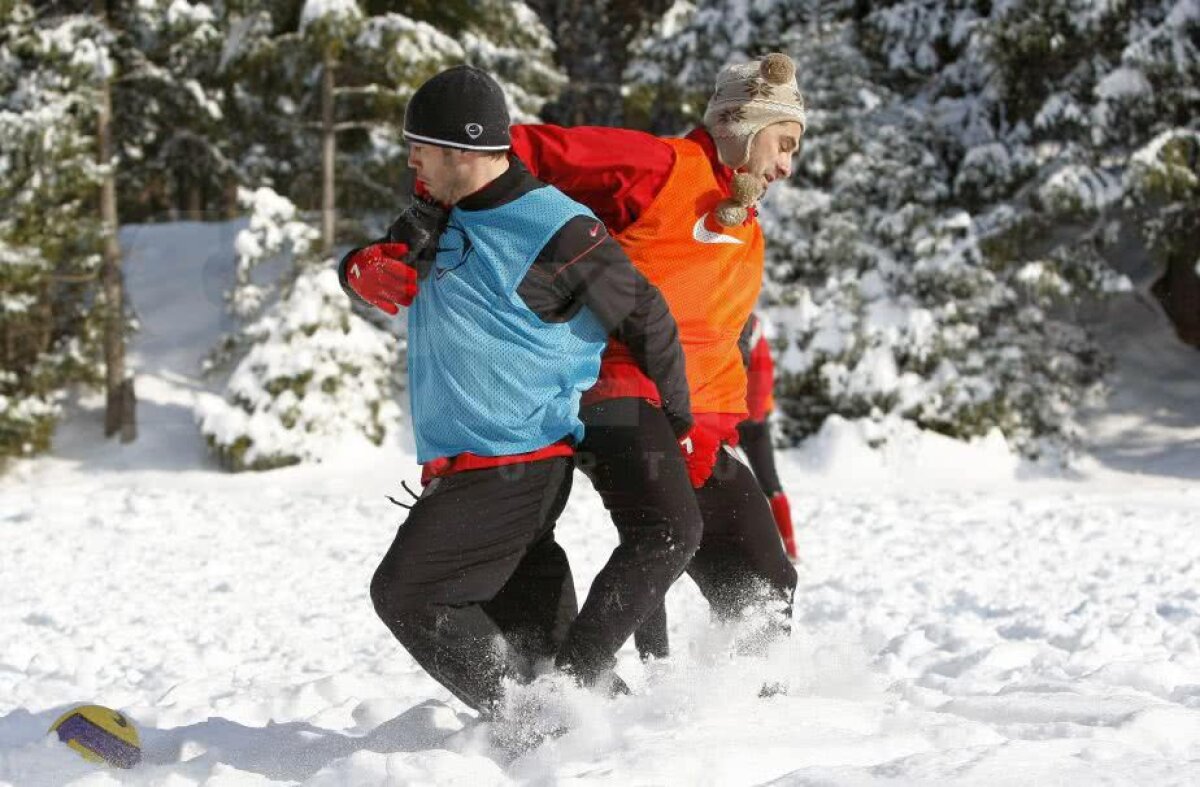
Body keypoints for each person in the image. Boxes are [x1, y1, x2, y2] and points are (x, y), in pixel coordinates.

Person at [339, 65, 697, 716]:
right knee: (545, 654)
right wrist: (355, 268)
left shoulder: (555, 225)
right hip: (471, 466)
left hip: (514, 463)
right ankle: (618, 734)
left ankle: (531, 728)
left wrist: (677, 423)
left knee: (410, 591)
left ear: (463, 152)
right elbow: (384, 256)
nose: (411, 158)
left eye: (420, 145)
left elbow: (645, 313)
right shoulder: (435, 212)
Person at [509, 53, 805, 663]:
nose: (786, 165)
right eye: (783, 143)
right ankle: (570, 693)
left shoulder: (742, 218)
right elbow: (518, 148)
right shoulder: (662, 166)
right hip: (616, 392)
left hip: (693, 421)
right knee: (665, 534)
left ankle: (751, 712)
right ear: (744, 127)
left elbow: (715, 341)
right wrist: (451, 206)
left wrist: (716, 428)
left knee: (768, 581)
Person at [737, 312, 797, 560]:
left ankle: (790, 548)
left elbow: (761, 374)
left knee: (768, 484)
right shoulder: (742, 320)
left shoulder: (747, 323)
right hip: (734, 414)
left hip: (747, 418)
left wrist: (752, 414)